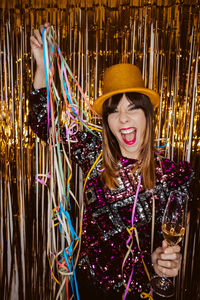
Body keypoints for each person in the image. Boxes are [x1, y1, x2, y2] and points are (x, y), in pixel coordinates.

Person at [29, 24, 194, 300]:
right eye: (114, 111)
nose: (124, 119)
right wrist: (44, 69)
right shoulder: (94, 155)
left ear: (148, 115)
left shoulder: (176, 175)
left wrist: (161, 261)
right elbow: (44, 122)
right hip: (86, 289)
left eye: (132, 108)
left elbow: (166, 245)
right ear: (107, 121)